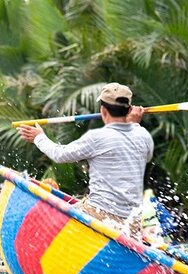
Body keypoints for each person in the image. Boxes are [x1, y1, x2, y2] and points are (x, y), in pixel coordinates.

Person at [18, 82, 154, 236]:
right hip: (131, 221)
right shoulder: (144, 136)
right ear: (129, 109)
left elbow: (59, 155)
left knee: (45, 223)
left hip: (99, 215)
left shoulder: (97, 138)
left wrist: (39, 137)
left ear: (103, 110)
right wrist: (134, 125)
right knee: (81, 201)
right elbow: (145, 155)